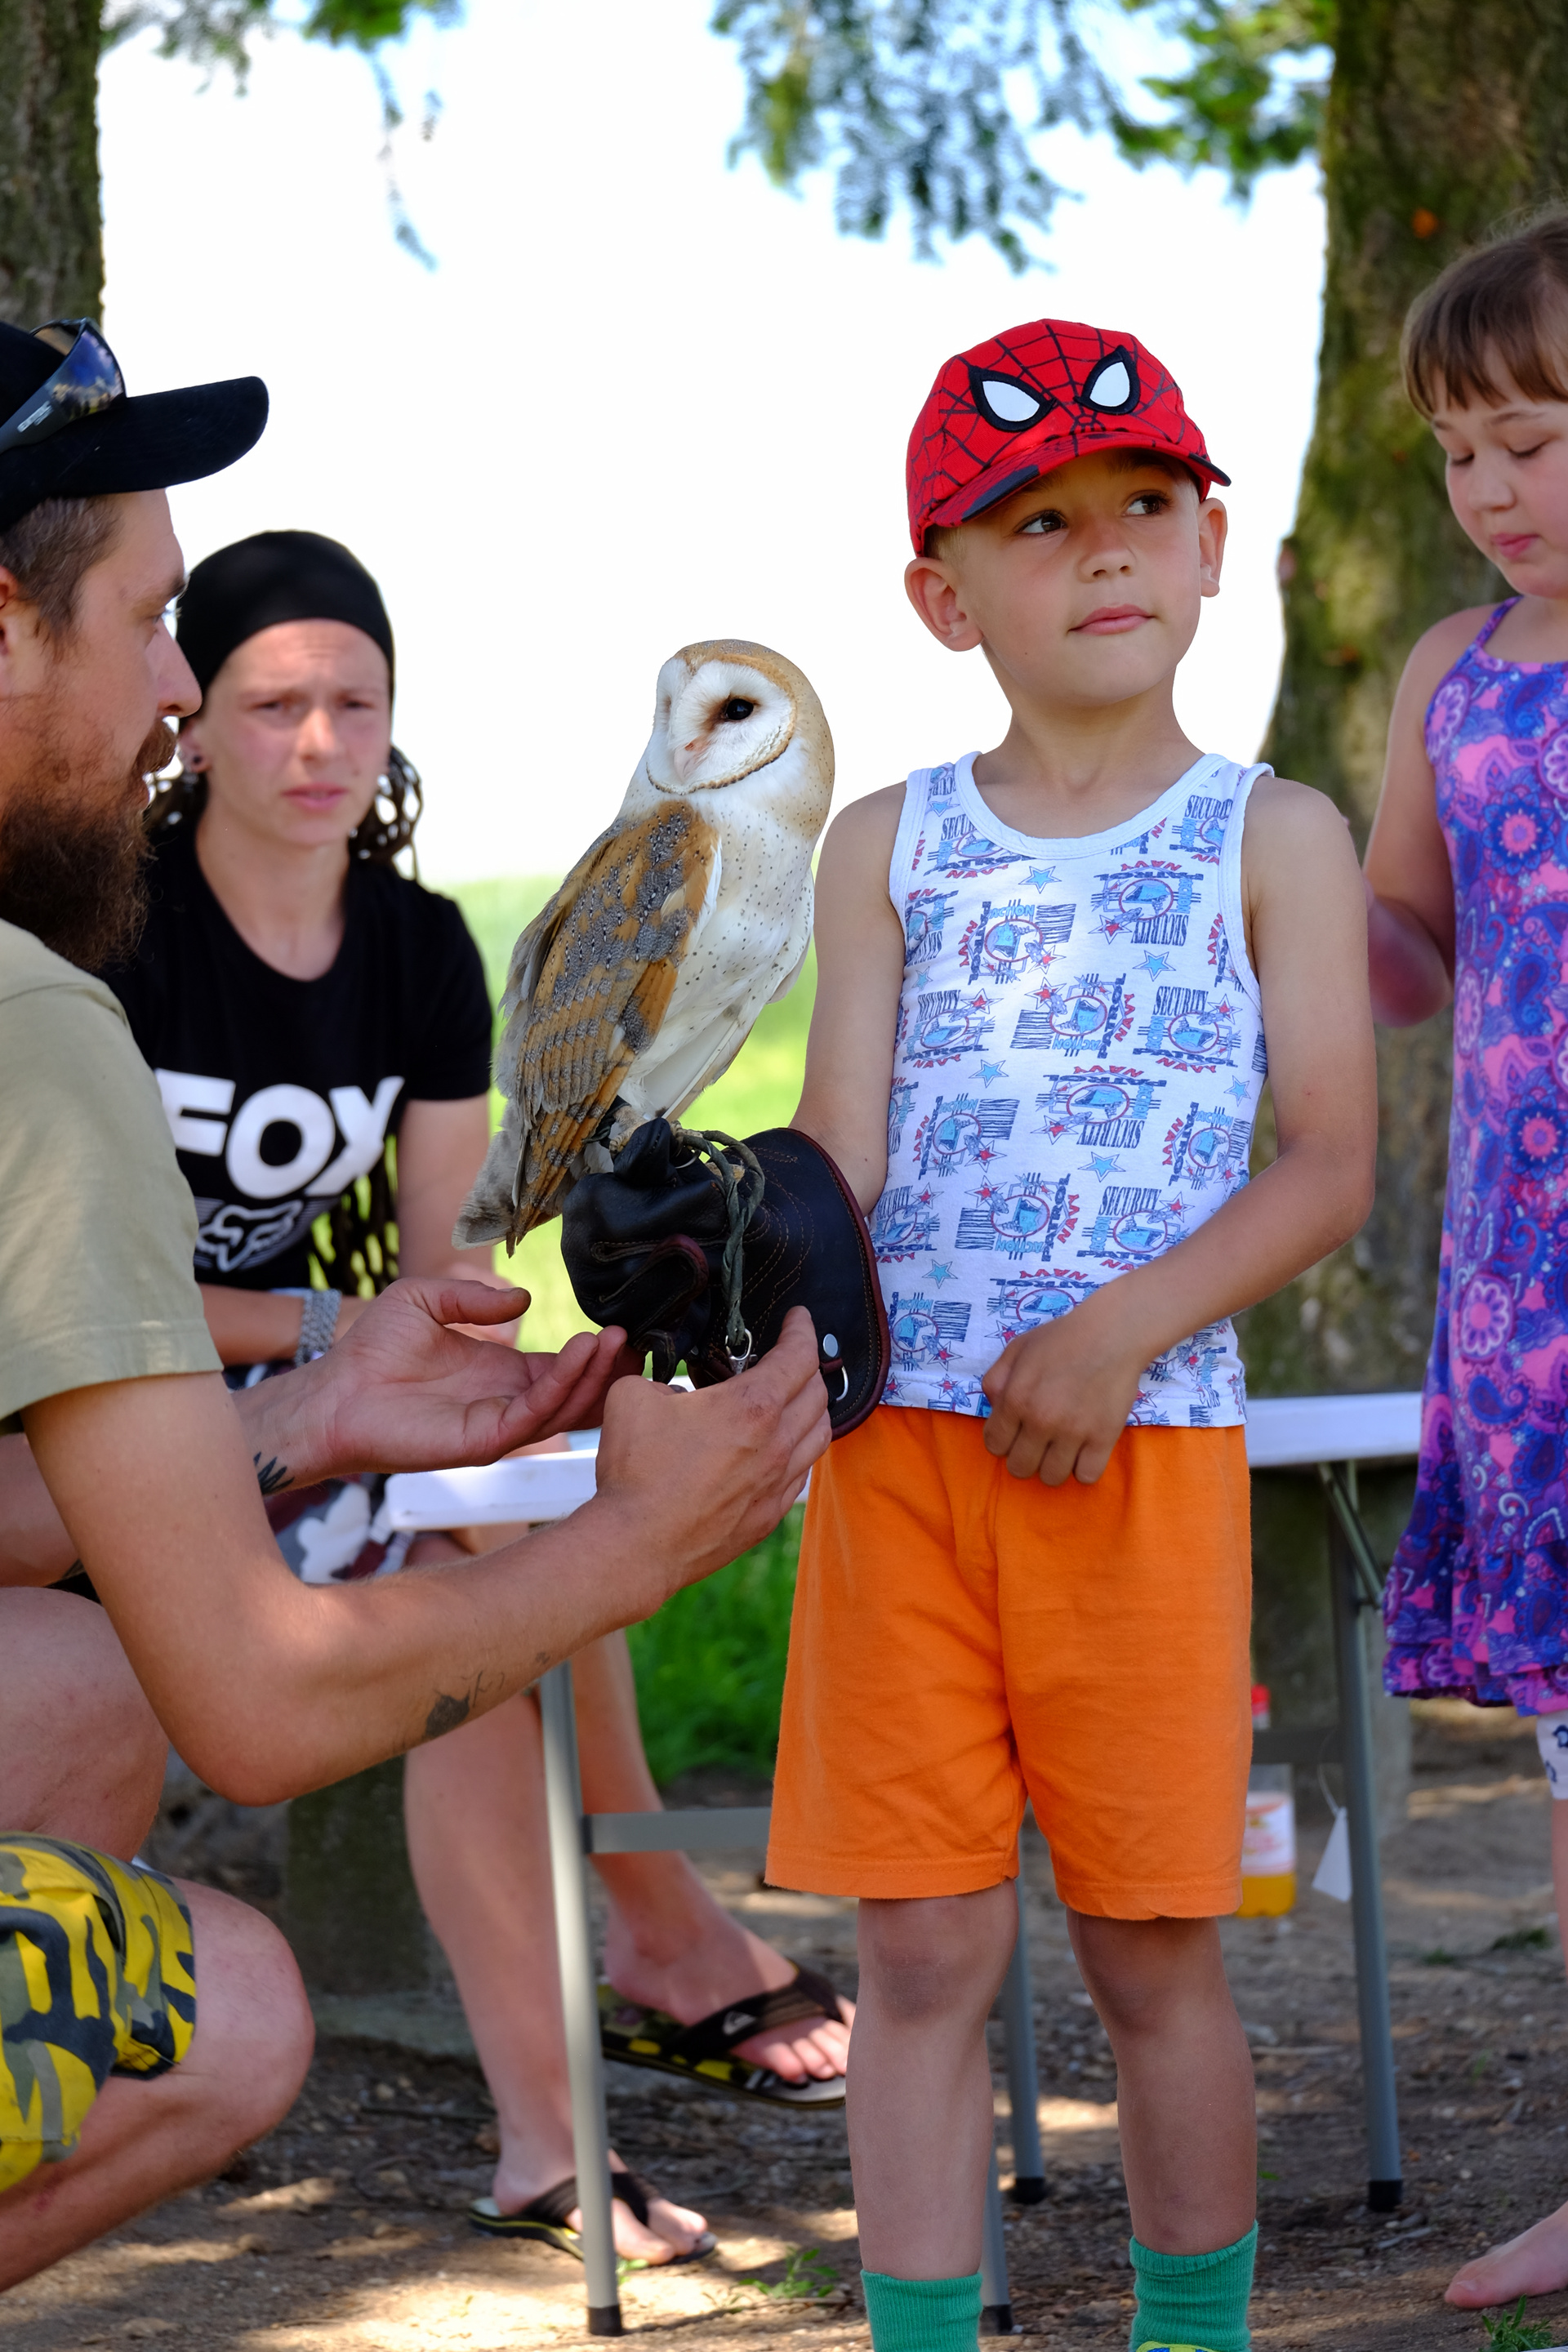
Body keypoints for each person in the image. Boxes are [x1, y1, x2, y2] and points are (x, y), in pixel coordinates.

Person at [0, 314, 830, 2284]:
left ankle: (626, 1965)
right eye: (155, 623)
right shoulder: (48, 1011)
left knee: (69, 1685)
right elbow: (260, 1702)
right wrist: (643, 1535)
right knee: (226, 2001)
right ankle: (586, 2068)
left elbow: (457, 1233)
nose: (184, 692)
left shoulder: (394, 944)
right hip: (191, 1451)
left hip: (193, 1443)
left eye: (332, 699)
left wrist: (310, 1411)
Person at [774, 318, 1377, 2352]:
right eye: (1041, 524)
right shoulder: (891, 843)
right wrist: (733, 1245)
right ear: (946, 596)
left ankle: (1188, 2336)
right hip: (903, 1466)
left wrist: (1120, 1328)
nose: (1104, 551)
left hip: (1144, 1459)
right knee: (925, 1952)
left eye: (1144, 507)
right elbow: (840, 1162)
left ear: (1216, 548)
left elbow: (1324, 1167)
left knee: (1150, 1951)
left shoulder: (1271, 836)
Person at [1367, 209, 1568, 2316]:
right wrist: (1291, 926)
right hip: (1530, 1293)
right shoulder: (1451, 671)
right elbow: (1410, 941)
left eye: (1533, 437)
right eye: (1457, 453)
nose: (1493, 491)